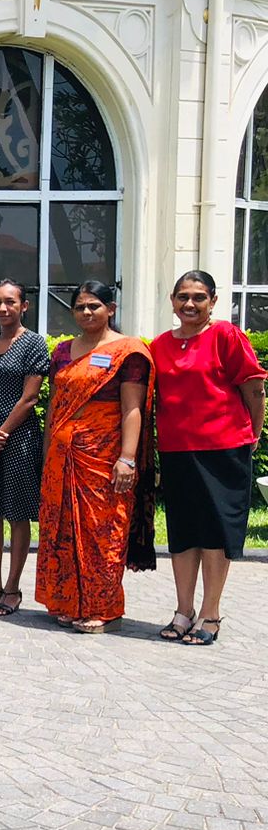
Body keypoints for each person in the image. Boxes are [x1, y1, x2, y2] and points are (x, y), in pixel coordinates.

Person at [35, 280, 156, 633]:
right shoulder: (62, 352)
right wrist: (47, 452)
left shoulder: (128, 352)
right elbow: (55, 405)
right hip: (62, 456)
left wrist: (127, 458)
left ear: (111, 309)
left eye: (94, 306)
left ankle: (102, 608)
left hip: (104, 457)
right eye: (80, 307)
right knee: (61, 529)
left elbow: (132, 409)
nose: (86, 312)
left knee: (103, 532)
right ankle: (67, 600)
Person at [152, 271, 265, 646]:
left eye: (198, 297)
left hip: (224, 449)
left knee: (216, 531)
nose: (189, 304)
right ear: (172, 301)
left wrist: (252, 435)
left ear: (213, 301)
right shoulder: (160, 345)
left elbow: (254, 390)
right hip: (177, 450)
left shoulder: (226, 336)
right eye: (182, 296)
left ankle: (210, 613)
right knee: (183, 532)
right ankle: (183, 611)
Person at [0, 281, 50, 618]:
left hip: (19, 440)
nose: (2, 308)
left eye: (10, 302)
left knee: (16, 514)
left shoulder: (33, 343)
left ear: (24, 306)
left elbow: (29, 398)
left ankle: (13, 589)